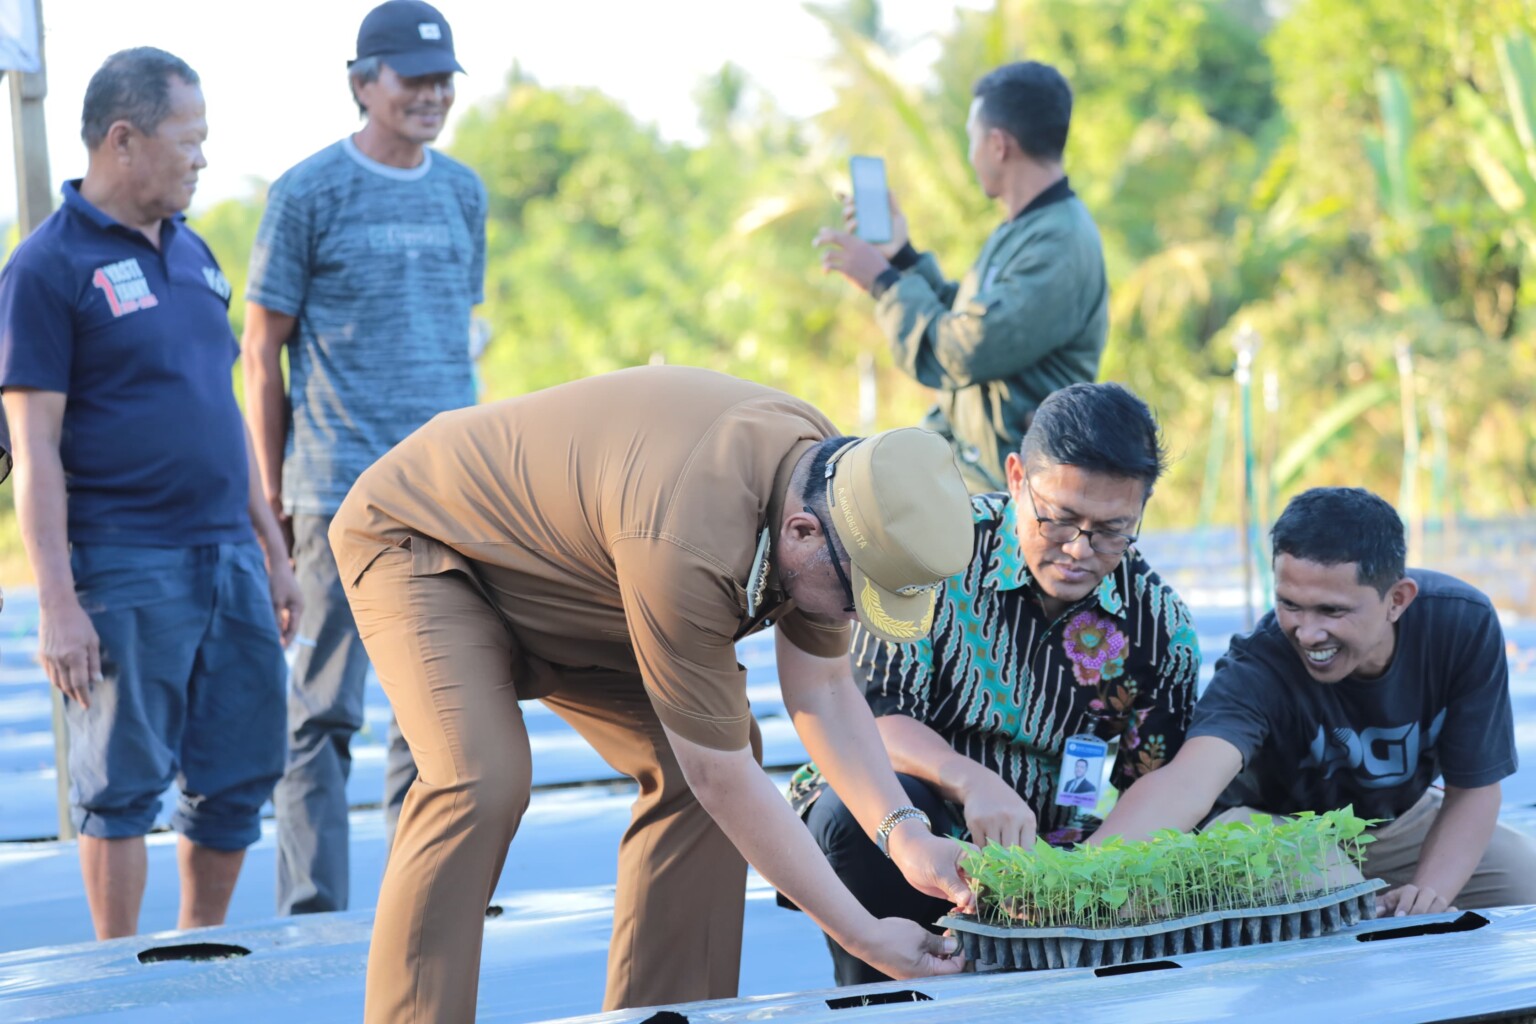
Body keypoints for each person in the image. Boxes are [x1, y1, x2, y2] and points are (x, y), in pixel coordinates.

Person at [330, 365, 978, 1022]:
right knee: (481, 777)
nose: (858, 619)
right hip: (426, 542)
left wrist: (907, 839)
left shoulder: (839, 491)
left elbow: (826, 690)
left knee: (696, 765)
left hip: (578, 585)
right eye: (856, 599)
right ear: (801, 532)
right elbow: (721, 778)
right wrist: (864, 933)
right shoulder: (695, 531)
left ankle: (660, 1016)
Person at [0, 48, 298, 939]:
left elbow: (226, 412)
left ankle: (197, 953)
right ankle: (115, 977)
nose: (202, 157)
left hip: (230, 556)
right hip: (124, 560)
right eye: (188, 139)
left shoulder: (197, 255)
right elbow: (35, 447)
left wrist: (274, 554)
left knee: (239, 772)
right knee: (121, 785)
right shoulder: (46, 269)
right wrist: (57, 601)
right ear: (122, 140)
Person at [790, 381, 1199, 984]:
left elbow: (1153, 782)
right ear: (1015, 477)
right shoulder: (936, 554)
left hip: (1051, 857)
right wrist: (973, 781)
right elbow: (870, 715)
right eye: (1058, 518)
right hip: (915, 824)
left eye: (1112, 530)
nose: (1078, 550)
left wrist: (1083, 877)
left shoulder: (1158, 624)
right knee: (856, 818)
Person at [242, 0, 487, 916]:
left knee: (432, 714)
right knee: (321, 712)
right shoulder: (306, 192)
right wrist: (270, 496)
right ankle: (313, 914)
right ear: (362, 85)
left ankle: (415, 904)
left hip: (447, 497)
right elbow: (260, 352)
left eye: (442, 81)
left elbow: (455, 329)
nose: (430, 95)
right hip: (335, 489)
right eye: (411, 78)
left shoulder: (462, 190)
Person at [1098, 487, 1536, 917]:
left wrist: (1427, 893)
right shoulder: (1259, 667)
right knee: (1338, 903)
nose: (1307, 633)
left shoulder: (1461, 623)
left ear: (1397, 600)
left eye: (1332, 611)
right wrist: (1080, 874)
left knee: (1524, 877)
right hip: (1276, 832)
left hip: (1397, 823)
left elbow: (1474, 789)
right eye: (1290, 604)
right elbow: (1186, 784)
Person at [815, 61, 1108, 493]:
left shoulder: (1059, 243)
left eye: (972, 139)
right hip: (982, 478)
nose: (970, 155)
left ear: (998, 145)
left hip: (1025, 498)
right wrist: (902, 258)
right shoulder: (1027, 228)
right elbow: (971, 318)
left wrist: (884, 283)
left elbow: (964, 350)